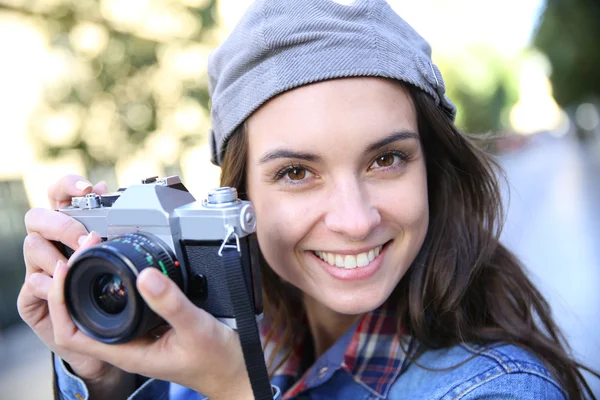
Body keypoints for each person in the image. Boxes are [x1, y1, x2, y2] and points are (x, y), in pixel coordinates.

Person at [17, 0, 599, 399]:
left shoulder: (495, 388)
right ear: (239, 199)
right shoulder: (199, 340)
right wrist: (102, 375)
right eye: (297, 172)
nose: (354, 220)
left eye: (386, 159)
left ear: (432, 167)